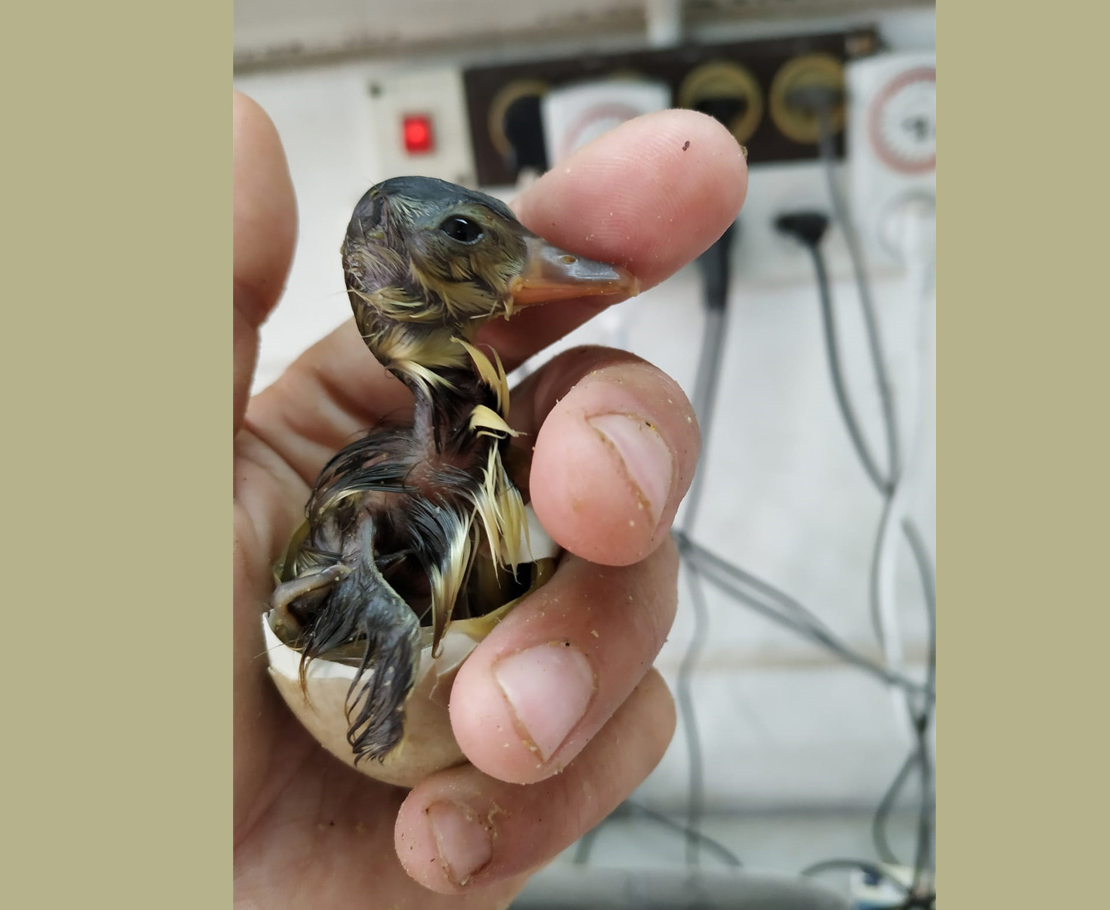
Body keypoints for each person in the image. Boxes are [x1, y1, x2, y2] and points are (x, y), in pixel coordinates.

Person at [232, 89, 748, 907]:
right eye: (468, 237)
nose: (551, 267)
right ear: (390, 273)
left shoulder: (470, 448)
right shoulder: (368, 495)